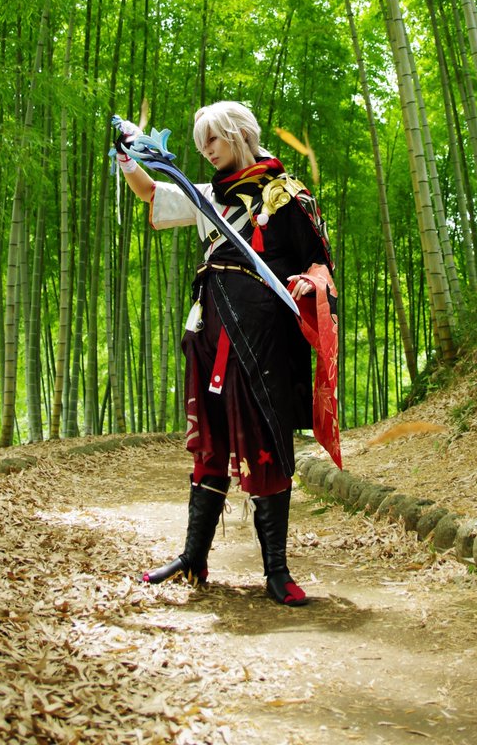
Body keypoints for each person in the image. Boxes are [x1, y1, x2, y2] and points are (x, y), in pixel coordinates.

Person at [115, 101, 336, 607]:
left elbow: (319, 263)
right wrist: (128, 159)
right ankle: (194, 556)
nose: (206, 151)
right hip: (210, 326)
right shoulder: (206, 196)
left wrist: (310, 283)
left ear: (238, 133)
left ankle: (277, 571)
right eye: (200, 145)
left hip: (263, 334)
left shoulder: (288, 194)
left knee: (263, 435)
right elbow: (151, 193)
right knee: (211, 439)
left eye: (212, 140)